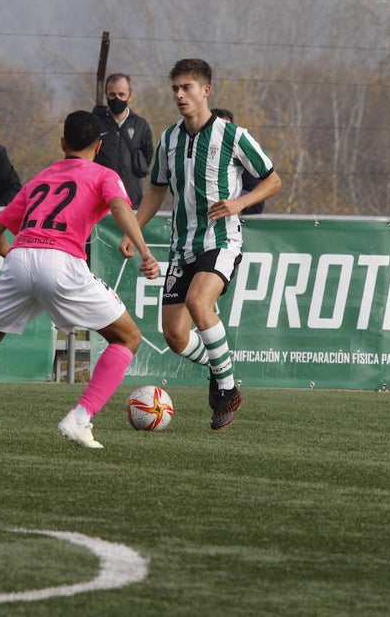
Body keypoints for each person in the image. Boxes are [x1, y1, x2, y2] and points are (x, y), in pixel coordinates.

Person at [0, 110, 160, 449]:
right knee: (127, 337)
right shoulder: (104, 174)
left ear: (62, 143)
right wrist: (144, 251)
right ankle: (80, 418)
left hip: (21, 257)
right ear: (99, 146)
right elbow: (120, 207)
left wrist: (18, 260)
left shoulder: (40, 179)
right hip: (62, 262)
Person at [121, 58, 281, 430]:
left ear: (205, 91)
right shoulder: (169, 139)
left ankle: (227, 390)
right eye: (175, 88)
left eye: (187, 87)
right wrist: (135, 231)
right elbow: (156, 191)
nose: (179, 95)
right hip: (182, 247)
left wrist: (240, 203)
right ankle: (218, 364)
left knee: (198, 301)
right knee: (175, 337)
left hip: (222, 239)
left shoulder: (233, 136)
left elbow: (273, 180)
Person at [93, 73, 153, 207]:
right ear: (106, 95)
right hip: (100, 199)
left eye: (121, 94)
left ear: (130, 95)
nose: (117, 99)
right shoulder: (95, 123)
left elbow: (147, 156)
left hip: (131, 198)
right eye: (112, 95)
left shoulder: (140, 125)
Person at [210, 108, 264, 215]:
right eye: (219, 127)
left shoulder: (242, 157)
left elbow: (258, 202)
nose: (223, 132)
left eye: (227, 127)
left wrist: (239, 204)